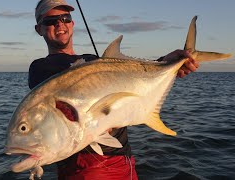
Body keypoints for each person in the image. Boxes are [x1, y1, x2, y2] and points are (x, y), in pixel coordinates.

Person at [29, 0, 199, 179]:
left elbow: (128, 78)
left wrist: (168, 62)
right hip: (87, 167)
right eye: (50, 20)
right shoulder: (41, 68)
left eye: (65, 18)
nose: (60, 23)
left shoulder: (92, 59)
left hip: (125, 160)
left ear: (72, 23)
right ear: (38, 29)